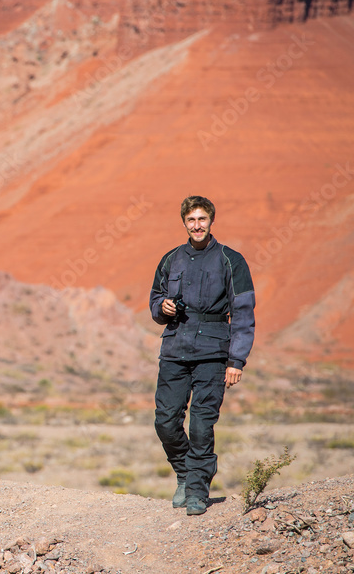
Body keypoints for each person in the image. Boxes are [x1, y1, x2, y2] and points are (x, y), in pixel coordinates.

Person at [149, 196, 255, 516]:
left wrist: (236, 360)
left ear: (211, 221)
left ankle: (197, 488)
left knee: (200, 426)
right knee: (165, 422)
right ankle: (184, 472)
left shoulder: (230, 260)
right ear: (184, 222)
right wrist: (162, 308)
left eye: (202, 219)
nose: (197, 225)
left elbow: (244, 312)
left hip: (213, 352)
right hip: (175, 349)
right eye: (191, 219)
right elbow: (156, 299)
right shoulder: (171, 260)